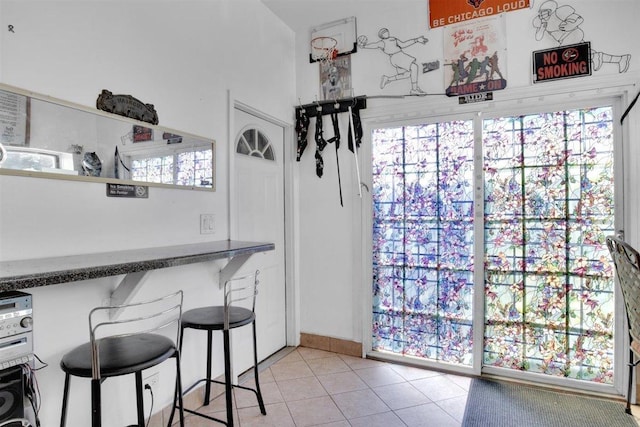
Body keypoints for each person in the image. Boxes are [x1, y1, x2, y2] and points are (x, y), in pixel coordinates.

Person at [533, 0, 630, 73]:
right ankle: (620, 59)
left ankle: (596, 57)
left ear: (550, 11)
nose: (542, 15)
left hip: (572, 35)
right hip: (564, 40)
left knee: (567, 57)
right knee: (584, 54)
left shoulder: (559, 13)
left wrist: (570, 25)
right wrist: (542, 27)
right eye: (541, 13)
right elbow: (538, 36)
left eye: (544, 12)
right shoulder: (542, 23)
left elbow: (578, 18)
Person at [357, 28, 428, 95]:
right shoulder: (382, 42)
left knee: (407, 74)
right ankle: (414, 90)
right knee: (414, 67)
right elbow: (374, 45)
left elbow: (403, 44)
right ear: (381, 36)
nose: (386, 32)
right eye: (384, 32)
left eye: (386, 31)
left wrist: (417, 40)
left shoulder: (393, 39)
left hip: (399, 55)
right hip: (397, 57)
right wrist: (364, 46)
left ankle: (388, 79)